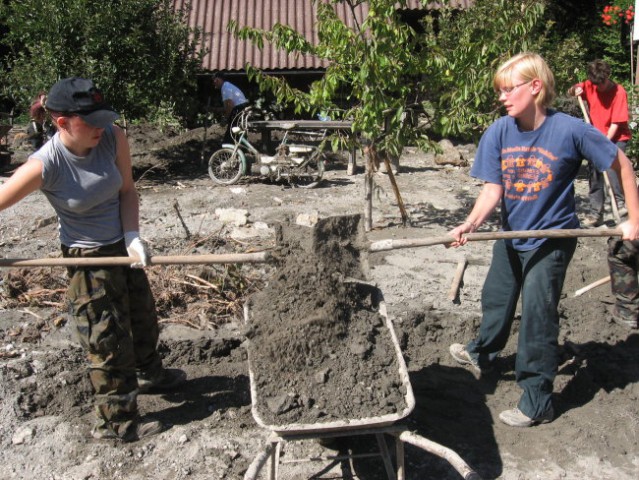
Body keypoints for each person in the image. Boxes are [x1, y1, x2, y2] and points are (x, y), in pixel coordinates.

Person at [446, 52, 639, 428]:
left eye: (508, 89)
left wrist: (634, 217)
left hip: (552, 237)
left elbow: (622, 164)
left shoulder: (570, 130)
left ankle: (538, 401)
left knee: (537, 314)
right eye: (499, 90)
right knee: (497, 299)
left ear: (535, 87)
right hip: (513, 234)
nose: (502, 97)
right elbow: (492, 189)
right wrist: (469, 223)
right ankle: (483, 353)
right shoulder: (499, 131)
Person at [0, 77, 186, 442]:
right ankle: (116, 423)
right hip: (86, 258)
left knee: (143, 317)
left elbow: (128, 191)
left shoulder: (113, 137)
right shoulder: (45, 165)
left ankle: (151, 376)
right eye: (91, 120)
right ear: (63, 123)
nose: (101, 126)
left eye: (103, 117)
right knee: (106, 340)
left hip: (122, 247)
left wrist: (132, 236)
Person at [568, 59, 632, 227]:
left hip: (616, 138)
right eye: (595, 84)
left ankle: (621, 210)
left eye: (601, 83)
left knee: (613, 173)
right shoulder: (591, 85)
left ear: (607, 76)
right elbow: (572, 90)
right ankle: (597, 214)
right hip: (597, 138)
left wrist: (601, 144)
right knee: (595, 176)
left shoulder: (619, 92)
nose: (598, 87)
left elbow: (616, 124)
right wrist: (575, 89)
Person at [213, 71, 249, 144]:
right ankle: (243, 148)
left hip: (238, 110)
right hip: (239, 109)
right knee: (236, 131)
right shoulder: (227, 86)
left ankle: (226, 149)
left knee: (230, 133)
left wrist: (225, 119)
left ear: (218, 80)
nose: (214, 83)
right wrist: (214, 109)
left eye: (214, 81)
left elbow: (230, 106)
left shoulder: (225, 88)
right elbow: (228, 107)